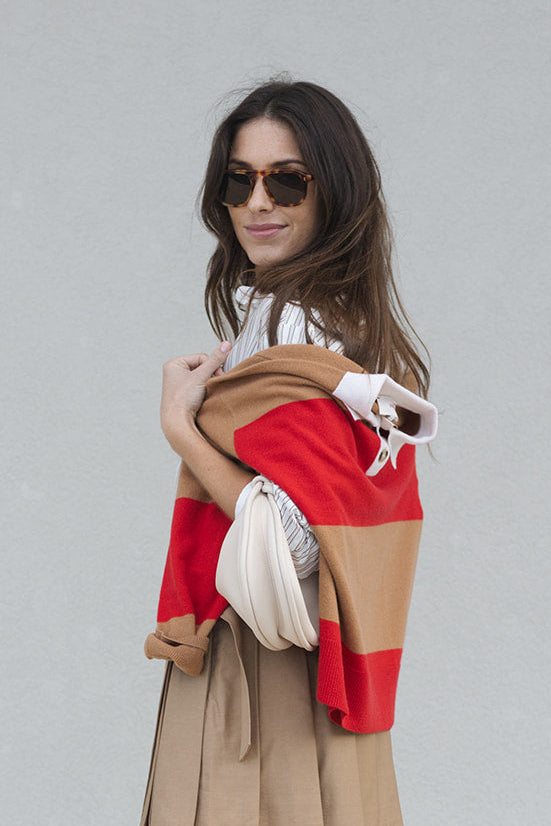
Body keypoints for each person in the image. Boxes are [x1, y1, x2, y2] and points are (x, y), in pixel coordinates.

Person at [140, 80, 437, 826]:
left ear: (331, 191)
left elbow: (296, 541)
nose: (257, 202)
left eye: (287, 180)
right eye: (238, 180)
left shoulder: (292, 325)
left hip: (265, 677)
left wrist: (182, 430)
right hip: (319, 679)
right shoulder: (340, 324)